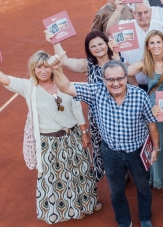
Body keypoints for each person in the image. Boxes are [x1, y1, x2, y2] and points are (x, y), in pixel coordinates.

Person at [0, 52, 99, 224]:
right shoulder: (28, 87)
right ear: (33, 69)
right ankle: (72, 209)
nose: (43, 70)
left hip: (72, 137)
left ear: (53, 68)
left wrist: (84, 133)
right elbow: (3, 78)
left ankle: (88, 203)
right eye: (39, 67)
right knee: (56, 178)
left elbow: (77, 110)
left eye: (46, 66)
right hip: (49, 142)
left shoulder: (65, 85)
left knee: (80, 172)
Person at [52, 58, 159, 227]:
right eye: (110, 79)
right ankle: (124, 222)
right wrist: (57, 69)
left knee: (143, 187)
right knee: (116, 191)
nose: (115, 83)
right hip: (111, 153)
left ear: (126, 77)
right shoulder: (96, 91)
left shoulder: (139, 95)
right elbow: (66, 87)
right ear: (103, 80)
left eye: (120, 78)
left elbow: (151, 123)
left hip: (137, 151)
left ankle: (145, 219)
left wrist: (155, 147)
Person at [44, 30, 121, 185]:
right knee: (102, 146)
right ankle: (114, 174)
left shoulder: (118, 60)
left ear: (107, 44)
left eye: (101, 44)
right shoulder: (88, 65)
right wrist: (55, 41)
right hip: (98, 116)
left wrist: (117, 52)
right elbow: (64, 61)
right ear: (89, 49)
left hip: (120, 112)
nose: (98, 48)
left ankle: (124, 171)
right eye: (93, 46)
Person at [126, 30, 163, 193]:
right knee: (157, 142)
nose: (156, 46)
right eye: (152, 43)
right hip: (154, 109)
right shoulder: (145, 63)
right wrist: (116, 53)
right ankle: (159, 178)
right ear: (148, 46)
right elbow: (127, 73)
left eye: (159, 42)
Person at [108, 0, 163, 88]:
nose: (143, 16)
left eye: (146, 12)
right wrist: (118, 9)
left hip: (160, 84)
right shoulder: (125, 27)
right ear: (133, 13)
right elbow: (109, 30)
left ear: (151, 11)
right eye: (139, 13)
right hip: (134, 84)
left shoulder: (161, 27)